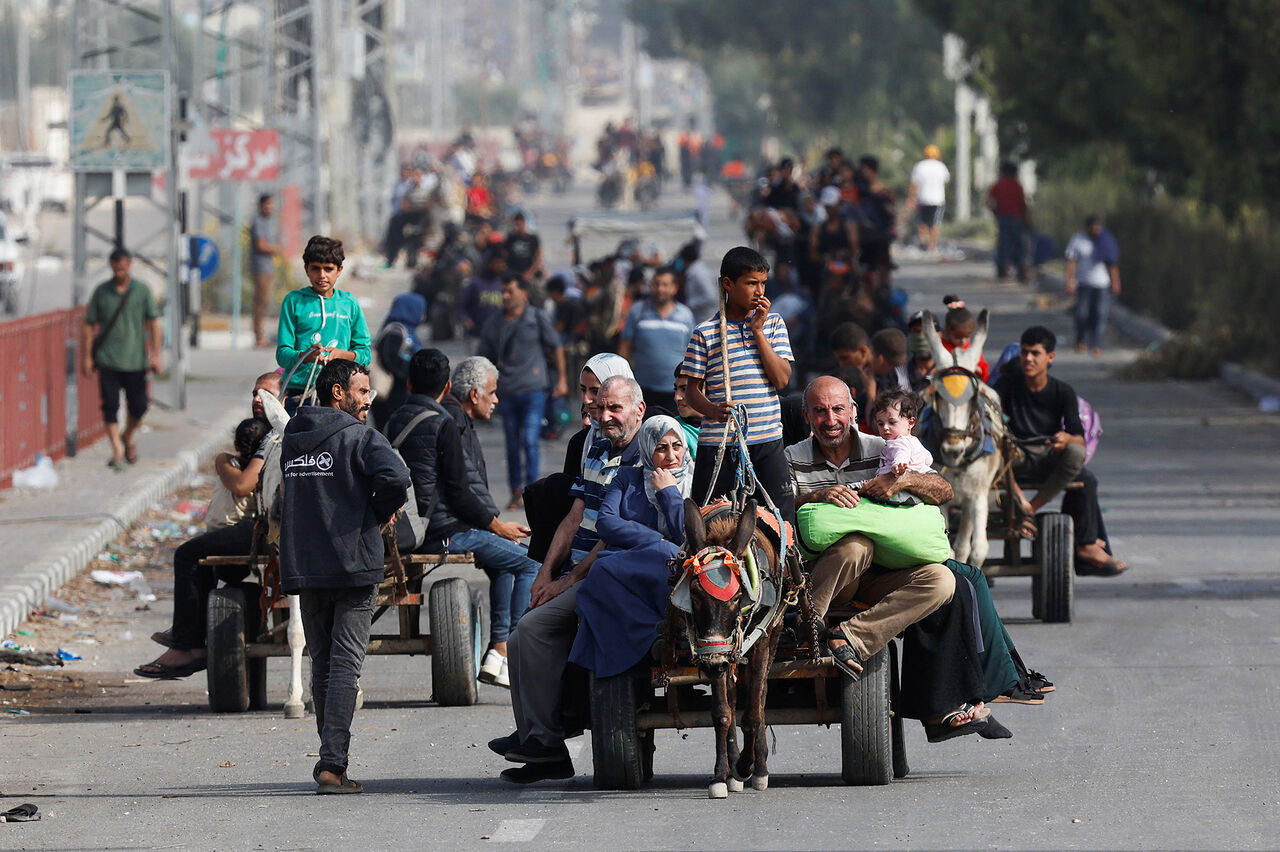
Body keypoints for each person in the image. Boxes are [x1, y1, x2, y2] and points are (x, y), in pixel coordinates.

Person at [787, 376, 989, 741]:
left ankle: (849, 637)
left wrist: (903, 481)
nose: (830, 419)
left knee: (945, 581)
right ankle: (808, 622)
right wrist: (816, 497)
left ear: (853, 413)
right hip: (830, 580)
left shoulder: (888, 445)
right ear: (806, 416)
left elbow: (943, 489)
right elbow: (777, 512)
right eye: (819, 411)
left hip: (885, 573)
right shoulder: (792, 458)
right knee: (855, 545)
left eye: (837, 410)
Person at [491, 376, 646, 784]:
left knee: (532, 629)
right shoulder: (595, 447)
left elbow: (615, 534)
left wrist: (565, 582)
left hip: (613, 573)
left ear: (638, 411)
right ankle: (537, 741)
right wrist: (543, 574)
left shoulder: (645, 455)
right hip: (576, 569)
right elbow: (574, 516)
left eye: (616, 408)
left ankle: (546, 741)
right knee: (524, 626)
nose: (606, 416)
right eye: (602, 408)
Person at [280, 359, 410, 794]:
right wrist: (372, 513)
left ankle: (330, 761)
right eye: (362, 390)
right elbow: (398, 476)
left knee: (325, 664)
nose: (368, 398)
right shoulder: (361, 437)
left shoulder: (293, 439)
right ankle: (332, 765)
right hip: (353, 566)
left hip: (307, 566)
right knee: (345, 667)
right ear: (338, 393)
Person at [387, 350, 537, 690]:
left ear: (410, 383)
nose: (496, 398)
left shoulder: (395, 419)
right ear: (449, 387)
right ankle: (508, 650)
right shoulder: (444, 422)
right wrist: (497, 526)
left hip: (407, 528)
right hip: (444, 531)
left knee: (504, 562)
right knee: (531, 562)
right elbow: (460, 490)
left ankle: (498, 654)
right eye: (493, 392)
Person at [133, 372, 284, 679]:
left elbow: (242, 485)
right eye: (255, 393)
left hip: (263, 527)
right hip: (255, 525)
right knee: (202, 555)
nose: (258, 399)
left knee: (188, 555)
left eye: (266, 394)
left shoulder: (275, 438)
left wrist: (222, 463)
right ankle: (190, 633)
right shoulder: (263, 434)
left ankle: (186, 646)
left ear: (283, 400)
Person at [993, 326, 1127, 576]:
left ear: (1050, 358)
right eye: (1024, 353)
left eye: (1035, 353)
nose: (1028, 359)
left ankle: (1079, 541)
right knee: (988, 453)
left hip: (1046, 456)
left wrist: (1066, 438)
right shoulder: (1008, 385)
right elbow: (987, 409)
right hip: (1014, 458)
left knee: (1083, 472)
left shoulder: (1062, 391)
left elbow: (1079, 439)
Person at [569, 415, 691, 678]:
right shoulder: (628, 477)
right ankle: (649, 636)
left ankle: (662, 634)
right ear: (647, 449)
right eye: (661, 447)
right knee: (601, 571)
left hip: (673, 561)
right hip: (629, 559)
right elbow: (606, 522)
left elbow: (685, 536)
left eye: (676, 446)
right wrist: (656, 541)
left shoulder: (695, 480)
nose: (671, 455)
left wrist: (669, 493)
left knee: (670, 556)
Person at [681, 246, 795, 522]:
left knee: (781, 524)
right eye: (751, 283)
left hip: (767, 440)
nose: (759, 291)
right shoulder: (705, 332)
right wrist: (710, 410)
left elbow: (781, 379)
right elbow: (691, 391)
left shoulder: (773, 324)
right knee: (709, 522)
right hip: (719, 444)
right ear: (728, 284)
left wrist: (757, 331)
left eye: (763, 283)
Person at [477, 275, 567, 510]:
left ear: (523, 293)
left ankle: (533, 490)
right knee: (512, 443)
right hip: (506, 391)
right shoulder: (495, 322)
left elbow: (555, 346)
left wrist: (563, 380)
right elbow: (482, 354)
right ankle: (516, 492)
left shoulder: (536, 318)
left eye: (510, 291)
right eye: (503, 291)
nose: (506, 296)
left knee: (530, 439)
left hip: (534, 390)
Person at [81, 247, 163, 470]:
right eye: (116, 267)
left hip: (135, 361)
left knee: (139, 405)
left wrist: (155, 355)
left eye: (123, 266)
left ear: (129, 265)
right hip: (107, 360)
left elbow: (154, 324)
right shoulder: (102, 292)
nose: (120, 271)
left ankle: (127, 435)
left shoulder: (142, 291)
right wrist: (87, 357)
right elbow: (89, 326)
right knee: (110, 405)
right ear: (111, 266)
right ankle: (117, 449)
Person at [275, 236, 371, 406]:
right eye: (315, 269)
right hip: (300, 394)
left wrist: (343, 355)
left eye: (328, 269)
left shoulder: (349, 304)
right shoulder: (294, 301)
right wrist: (306, 356)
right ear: (306, 269)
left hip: (339, 393)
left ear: (339, 270)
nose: (322, 275)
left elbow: (365, 354)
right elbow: (282, 355)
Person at [618, 265, 695, 415]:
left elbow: (692, 352)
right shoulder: (637, 311)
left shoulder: (685, 315)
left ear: (674, 288)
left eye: (665, 285)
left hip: (674, 392)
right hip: (642, 390)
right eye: (656, 284)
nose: (660, 289)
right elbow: (625, 346)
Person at [1064, 215, 1121, 355]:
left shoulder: (1106, 241)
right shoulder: (1078, 240)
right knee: (1082, 314)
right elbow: (1072, 261)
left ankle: (1097, 344)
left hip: (1102, 284)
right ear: (1087, 227)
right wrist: (1069, 280)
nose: (1095, 229)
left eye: (1098, 227)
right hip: (1084, 283)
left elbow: (1112, 263)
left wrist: (1116, 281)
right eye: (1092, 227)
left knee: (1100, 314)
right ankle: (1081, 340)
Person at [368, 292, 426, 427]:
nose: (423, 316)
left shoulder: (405, 331)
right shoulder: (396, 332)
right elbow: (390, 359)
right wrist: (410, 372)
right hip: (391, 395)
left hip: (395, 394)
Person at [986, 162, 1028, 282]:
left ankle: (1003, 270)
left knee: (1004, 244)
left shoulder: (998, 185)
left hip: (1002, 218)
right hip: (1017, 218)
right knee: (1018, 244)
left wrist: (995, 212)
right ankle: (1021, 271)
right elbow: (1023, 203)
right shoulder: (1017, 185)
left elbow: (988, 201)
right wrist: (1025, 217)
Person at [249, 194, 280, 347]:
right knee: (261, 302)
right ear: (261, 205)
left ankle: (261, 335)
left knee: (265, 301)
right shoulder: (258, 222)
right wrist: (275, 249)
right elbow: (261, 245)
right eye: (267, 204)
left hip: (267, 267)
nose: (270, 208)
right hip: (260, 267)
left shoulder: (268, 222)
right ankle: (258, 337)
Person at [907, 144, 950, 254]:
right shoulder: (941, 166)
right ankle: (932, 245)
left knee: (922, 223)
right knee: (935, 223)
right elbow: (945, 181)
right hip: (938, 199)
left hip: (922, 199)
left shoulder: (919, 166)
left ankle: (925, 244)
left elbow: (914, 184)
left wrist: (911, 198)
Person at [456, 247, 506, 338]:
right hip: (477, 335)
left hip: (499, 335)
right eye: (498, 262)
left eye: (502, 263)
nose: (501, 266)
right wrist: (465, 320)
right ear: (488, 264)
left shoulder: (504, 283)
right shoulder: (475, 284)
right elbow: (460, 306)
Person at [939, 295, 990, 383]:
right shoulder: (942, 348)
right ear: (947, 332)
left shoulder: (972, 349)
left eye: (967, 336)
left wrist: (979, 371)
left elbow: (983, 368)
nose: (963, 340)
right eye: (958, 337)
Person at [503, 210, 544, 284]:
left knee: (540, 276)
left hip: (529, 270)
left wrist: (530, 272)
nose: (518, 226)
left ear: (524, 223)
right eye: (516, 224)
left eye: (520, 223)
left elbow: (538, 258)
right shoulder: (511, 238)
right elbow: (504, 255)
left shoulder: (533, 238)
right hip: (513, 272)